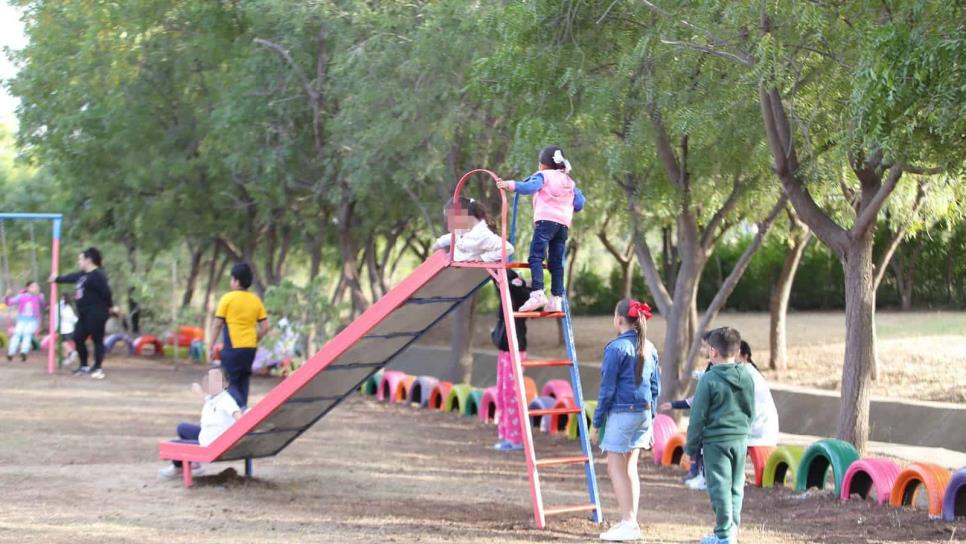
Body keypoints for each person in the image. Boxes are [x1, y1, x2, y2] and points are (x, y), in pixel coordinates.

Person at [590, 298, 659, 542]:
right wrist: (652, 419)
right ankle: (631, 520)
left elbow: (607, 390)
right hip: (643, 413)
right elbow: (654, 387)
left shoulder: (615, 348)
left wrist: (596, 423)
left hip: (622, 414)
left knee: (615, 468)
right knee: (630, 468)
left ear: (619, 319)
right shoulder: (649, 347)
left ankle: (628, 522)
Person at [686, 327, 755, 544]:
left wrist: (690, 449)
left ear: (714, 352)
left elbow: (697, 417)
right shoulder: (746, 375)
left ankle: (724, 536)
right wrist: (744, 430)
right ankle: (731, 530)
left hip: (717, 442)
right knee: (735, 486)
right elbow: (751, 408)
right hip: (740, 439)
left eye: (707, 349)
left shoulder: (709, 379)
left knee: (719, 487)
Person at [496, 145, 585, 313]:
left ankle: (537, 293)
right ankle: (556, 298)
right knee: (556, 262)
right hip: (563, 226)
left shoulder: (543, 176)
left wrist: (511, 184)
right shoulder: (569, 181)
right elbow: (579, 204)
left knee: (535, 257)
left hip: (545, 223)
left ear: (542, 164)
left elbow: (529, 188)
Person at [158, 367, 243, 480]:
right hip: (210, 437)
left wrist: (238, 433)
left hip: (212, 443)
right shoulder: (216, 398)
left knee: (173, 444)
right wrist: (199, 392)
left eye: (216, 380)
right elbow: (207, 400)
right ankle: (195, 465)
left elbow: (238, 415)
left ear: (225, 384)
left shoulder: (227, 400)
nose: (211, 384)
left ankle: (179, 468)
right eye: (210, 380)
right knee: (183, 428)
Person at [50, 247, 116, 379]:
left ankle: (98, 368)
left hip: (97, 313)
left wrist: (110, 307)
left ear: (88, 260)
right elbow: (70, 277)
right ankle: (84, 365)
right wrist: (56, 279)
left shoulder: (98, 275)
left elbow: (106, 293)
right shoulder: (82, 275)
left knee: (97, 340)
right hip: (84, 314)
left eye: (80, 259)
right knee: (78, 337)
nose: (79, 262)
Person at [210, 263, 269, 409]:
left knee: (228, 382)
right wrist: (255, 339)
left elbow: (217, 324)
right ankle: (242, 417)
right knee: (243, 380)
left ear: (236, 281)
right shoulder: (255, 300)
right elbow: (265, 326)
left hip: (233, 348)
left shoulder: (227, 299)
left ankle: (240, 410)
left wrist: (209, 346)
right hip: (250, 348)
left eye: (232, 279)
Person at [660, 332, 714, 491]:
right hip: (707, 419)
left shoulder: (715, 371)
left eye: (704, 346)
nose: (701, 350)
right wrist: (674, 404)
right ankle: (696, 472)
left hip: (713, 422)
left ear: (713, 349)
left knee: (697, 434)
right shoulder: (710, 369)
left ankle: (702, 475)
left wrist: (675, 404)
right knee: (694, 434)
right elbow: (698, 397)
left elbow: (699, 399)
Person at [490, 269, 529, 451]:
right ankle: (506, 435)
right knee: (502, 395)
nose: (498, 286)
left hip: (515, 352)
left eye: (500, 282)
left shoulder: (516, 296)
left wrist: (518, 282)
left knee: (512, 396)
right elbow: (496, 278)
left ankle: (516, 438)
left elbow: (524, 294)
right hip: (504, 352)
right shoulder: (504, 299)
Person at [432, 197, 514, 262]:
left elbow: (508, 248)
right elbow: (454, 236)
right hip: (453, 260)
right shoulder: (467, 230)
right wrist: (439, 242)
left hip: (460, 267)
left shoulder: (482, 235)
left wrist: (482, 258)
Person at [739, 341, 779, 450]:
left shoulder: (743, 373)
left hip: (758, 433)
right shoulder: (749, 371)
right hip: (764, 431)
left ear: (745, 356)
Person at [5, 281, 44, 362]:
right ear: (28, 288)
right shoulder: (21, 296)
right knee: (17, 334)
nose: (36, 288)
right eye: (33, 286)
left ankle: (24, 352)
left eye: (37, 286)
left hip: (33, 320)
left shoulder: (39, 296)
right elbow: (9, 303)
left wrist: (38, 294)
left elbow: (42, 303)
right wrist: (7, 296)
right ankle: (10, 353)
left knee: (27, 333)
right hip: (22, 320)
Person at [57, 295, 79, 365]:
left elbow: (69, 317)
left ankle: (72, 352)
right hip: (67, 328)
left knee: (63, 343)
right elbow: (73, 318)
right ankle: (66, 358)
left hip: (65, 329)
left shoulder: (63, 307)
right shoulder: (67, 307)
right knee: (63, 343)